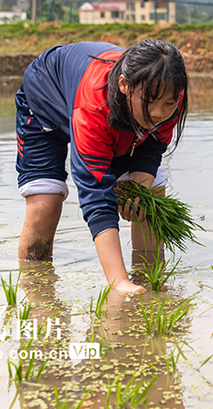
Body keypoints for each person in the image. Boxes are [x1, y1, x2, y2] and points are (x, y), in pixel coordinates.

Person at [15, 39, 188, 294]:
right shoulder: (93, 107)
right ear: (124, 84)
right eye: (149, 100)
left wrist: (138, 190)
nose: (158, 113)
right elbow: (95, 193)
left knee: (148, 197)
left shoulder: (171, 95)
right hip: (46, 99)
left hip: (118, 115)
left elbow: (151, 149)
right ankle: (35, 291)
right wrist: (118, 282)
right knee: (45, 202)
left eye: (168, 103)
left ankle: (150, 280)